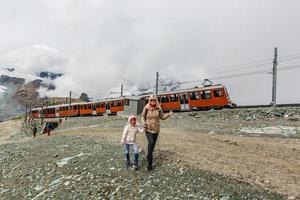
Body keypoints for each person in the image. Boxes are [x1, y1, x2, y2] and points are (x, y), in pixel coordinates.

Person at [141, 94, 173, 171]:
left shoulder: (159, 108)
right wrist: (143, 123)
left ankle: (149, 156)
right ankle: (149, 164)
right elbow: (142, 117)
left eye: (154, 100)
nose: (153, 101)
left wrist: (168, 114)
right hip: (148, 129)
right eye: (151, 100)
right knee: (151, 143)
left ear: (156, 100)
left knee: (152, 148)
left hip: (156, 130)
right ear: (149, 100)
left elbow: (162, 117)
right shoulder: (146, 108)